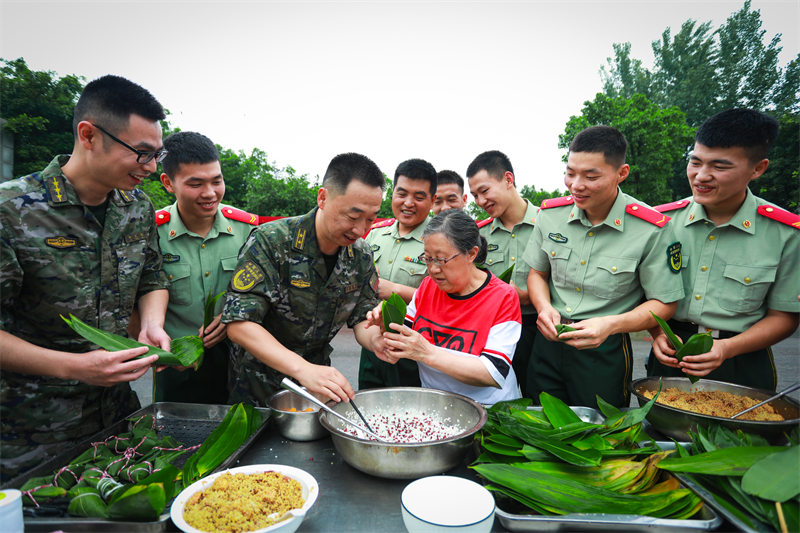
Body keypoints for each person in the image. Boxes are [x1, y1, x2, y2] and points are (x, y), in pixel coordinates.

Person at [0, 75, 170, 481]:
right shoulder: (11, 211)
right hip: (31, 434)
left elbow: (151, 276)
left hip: (117, 420)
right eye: (141, 154)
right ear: (89, 135)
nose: (149, 168)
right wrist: (74, 367)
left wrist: (151, 324)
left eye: (157, 156)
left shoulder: (136, 207)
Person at [523, 126, 684, 408]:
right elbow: (538, 272)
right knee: (540, 424)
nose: (576, 185)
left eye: (591, 176)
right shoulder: (550, 215)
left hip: (604, 348)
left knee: (601, 433)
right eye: (570, 172)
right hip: (548, 341)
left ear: (621, 173)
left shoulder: (650, 229)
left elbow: (664, 303)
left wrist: (610, 325)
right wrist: (545, 307)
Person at [648, 109, 799, 390]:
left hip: (743, 360)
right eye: (695, 162)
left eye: (720, 166)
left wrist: (726, 348)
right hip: (671, 352)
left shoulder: (786, 234)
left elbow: (784, 317)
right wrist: (657, 331)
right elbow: (643, 292)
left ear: (758, 168)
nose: (701, 176)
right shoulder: (660, 223)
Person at [221, 152, 385, 405]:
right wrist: (302, 369)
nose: (360, 229)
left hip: (319, 387)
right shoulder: (272, 240)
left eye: (371, 219)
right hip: (257, 386)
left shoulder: (361, 255)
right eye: (353, 217)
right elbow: (240, 324)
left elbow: (362, 316)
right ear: (323, 197)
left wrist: (378, 341)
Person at [366, 210, 522, 404]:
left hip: (489, 409)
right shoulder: (428, 286)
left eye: (441, 260)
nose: (433, 269)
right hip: (438, 405)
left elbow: (493, 373)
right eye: (428, 258)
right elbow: (404, 334)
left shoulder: (503, 296)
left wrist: (427, 352)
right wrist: (386, 322)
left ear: (472, 253)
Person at [153, 131, 259, 403]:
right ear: (168, 182)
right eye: (196, 184)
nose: (210, 193)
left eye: (217, 181)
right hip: (178, 365)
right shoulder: (152, 233)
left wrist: (232, 316)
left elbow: (264, 292)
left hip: (238, 361)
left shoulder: (246, 229)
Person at [358, 158, 436, 389]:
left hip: (416, 346)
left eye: (419, 197)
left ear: (432, 200)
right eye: (402, 193)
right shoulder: (374, 234)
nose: (408, 203)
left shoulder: (441, 240)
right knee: (368, 405)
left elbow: (447, 298)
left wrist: (394, 290)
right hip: (372, 340)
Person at [467, 150, 538, 397]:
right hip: (495, 331)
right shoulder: (480, 234)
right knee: (497, 399)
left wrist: (529, 296)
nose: (479, 201)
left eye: (484, 191)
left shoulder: (548, 224)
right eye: (475, 195)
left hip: (538, 330)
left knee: (537, 398)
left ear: (508, 180)